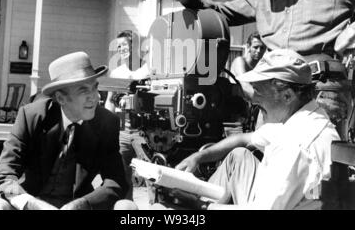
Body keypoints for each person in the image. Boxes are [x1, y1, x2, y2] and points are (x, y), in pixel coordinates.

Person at [166, 0, 353, 140]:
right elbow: (222, 13)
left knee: (316, 168)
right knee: (267, 161)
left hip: (319, 91)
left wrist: (351, 35)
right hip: (273, 95)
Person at [116, 49, 340, 210]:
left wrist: (201, 206)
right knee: (239, 156)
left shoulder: (294, 144)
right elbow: (244, 139)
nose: (254, 101)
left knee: (138, 211)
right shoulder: (307, 119)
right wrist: (199, 156)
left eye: (259, 92)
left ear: (287, 95)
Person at [0, 51, 127, 210]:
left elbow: (116, 181)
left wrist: (83, 204)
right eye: (83, 90)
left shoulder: (106, 123)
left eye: (95, 88)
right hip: (32, 203)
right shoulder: (32, 116)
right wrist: (32, 204)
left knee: (126, 207)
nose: (95, 97)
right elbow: (0, 176)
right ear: (60, 98)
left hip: (77, 206)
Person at [105, 31, 149, 200]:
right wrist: (108, 128)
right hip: (122, 127)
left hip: (144, 130)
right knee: (122, 174)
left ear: (134, 45)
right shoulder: (116, 73)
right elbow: (110, 100)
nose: (122, 49)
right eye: (119, 46)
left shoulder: (147, 69)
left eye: (125, 44)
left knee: (152, 175)